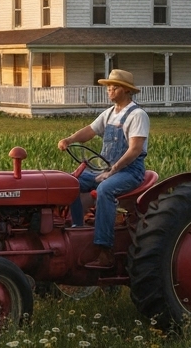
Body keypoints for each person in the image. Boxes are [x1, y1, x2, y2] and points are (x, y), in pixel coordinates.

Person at [56, 69, 148, 269]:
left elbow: (135, 150)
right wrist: (70, 139)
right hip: (105, 170)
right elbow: (90, 131)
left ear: (125, 90)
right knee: (70, 182)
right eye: (108, 87)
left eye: (113, 87)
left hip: (129, 172)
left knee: (106, 190)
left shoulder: (137, 115)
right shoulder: (109, 113)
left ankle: (104, 250)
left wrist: (113, 170)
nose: (109, 90)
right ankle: (77, 229)